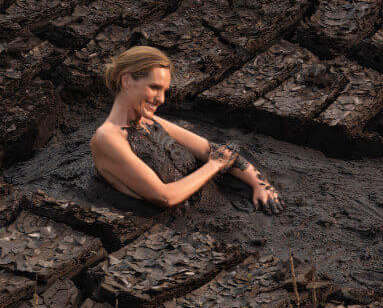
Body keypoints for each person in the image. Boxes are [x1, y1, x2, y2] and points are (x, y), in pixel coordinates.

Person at [90, 46, 282, 213]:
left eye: (164, 91)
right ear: (126, 81)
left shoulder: (151, 122)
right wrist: (214, 166)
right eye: (154, 87)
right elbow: (165, 197)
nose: (161, 99)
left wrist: (259, 184)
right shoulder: (108, 138)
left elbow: (214, 151)